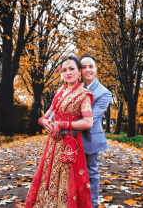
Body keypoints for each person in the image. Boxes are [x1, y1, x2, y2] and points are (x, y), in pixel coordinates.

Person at [25, 56, 94, 208]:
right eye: (64, 70)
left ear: (79, 71)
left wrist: (63, 124)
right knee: (47, 177)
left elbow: (88, 122)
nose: (68, 73)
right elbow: (49, 112)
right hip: (52, 144)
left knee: (66, 182)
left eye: (72, 69)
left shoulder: (84, 94)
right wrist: (42, 121)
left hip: (69, 144)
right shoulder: (60, 90)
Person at [80, 53, 112, 208]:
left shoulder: (104, 92)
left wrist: (64, 123)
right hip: (71, 137)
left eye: (91, 66)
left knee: (91, 171)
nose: (87, 70)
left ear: (96, 69)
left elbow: (91, 117)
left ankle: (92, 204)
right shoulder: (74, 87)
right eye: (83, 67)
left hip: (90, 137)